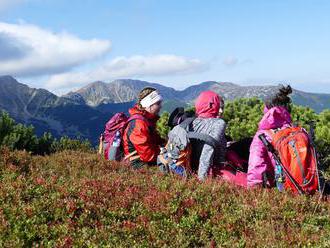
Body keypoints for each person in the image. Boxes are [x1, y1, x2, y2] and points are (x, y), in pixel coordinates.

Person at [247, 85, 293, 187]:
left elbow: (256, 165)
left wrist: (253, 192)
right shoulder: (295, 131)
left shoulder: (262, 135)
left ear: (267, 109)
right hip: (304, 184)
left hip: (281, 187)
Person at [123, 87, 164, 168]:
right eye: (158, 103)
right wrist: (164, 153)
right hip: (137, 164)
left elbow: (156, 140)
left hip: (144, 159)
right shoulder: (139, 124)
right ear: (148, 105)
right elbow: (148, 155)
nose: (161, 106)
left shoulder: (148, 119)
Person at [190, 91, 227, 180]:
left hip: (190, 167)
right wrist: (202, 179)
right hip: (211, 170)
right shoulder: (219, 123)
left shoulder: (192, 121)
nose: (220, 111)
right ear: (213, 105)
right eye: (219, 106)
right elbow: (208, 149)